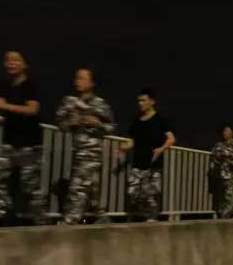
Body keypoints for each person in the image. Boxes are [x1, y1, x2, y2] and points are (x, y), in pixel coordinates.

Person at [0, 51, 46, 225]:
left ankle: (42, 223)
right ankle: (3, 217)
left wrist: (6, 106)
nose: (11, 63)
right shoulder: (4, 85)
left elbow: (32, 109)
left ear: (25, 65)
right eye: (8, 60)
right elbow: (3, 106)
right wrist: (1, 119)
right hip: (9, 143)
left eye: (16, 60)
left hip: (29, 144)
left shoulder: (30, 85)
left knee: (30, 188)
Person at [56, 67, 115, 224]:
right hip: (77, 150)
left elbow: (111, 127)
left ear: (92, 82)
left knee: (78, 186)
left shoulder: (100, 104)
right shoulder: (69, 102)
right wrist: (70, 123)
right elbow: (60, 124)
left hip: (93, 152)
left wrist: (98, 124)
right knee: (93, 188)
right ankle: (101, 216)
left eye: (82, 78)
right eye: (77, 78)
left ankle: (70, 221)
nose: (78, 81)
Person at [119, 88, 175, 221]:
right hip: (137, 165)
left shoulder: (160, 119)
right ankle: (137, 220)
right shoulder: (136, 120)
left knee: (151, 198)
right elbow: (131, 140)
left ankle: (150, 222)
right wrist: (124, 148)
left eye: (143, 100)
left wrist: (161, 149)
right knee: (132, 194)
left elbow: (171, 139)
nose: (140, 103)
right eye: (139, 101)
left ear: (152, 101)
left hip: (153, 166)